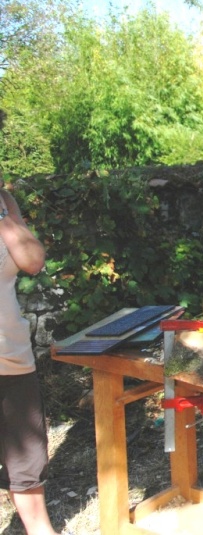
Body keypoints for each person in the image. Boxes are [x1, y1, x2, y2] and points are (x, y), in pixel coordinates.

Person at [0, 111, 60, 535]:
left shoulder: (4, 202)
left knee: (26, 462)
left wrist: (4, 216)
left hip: (10, 352)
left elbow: (33, 261)